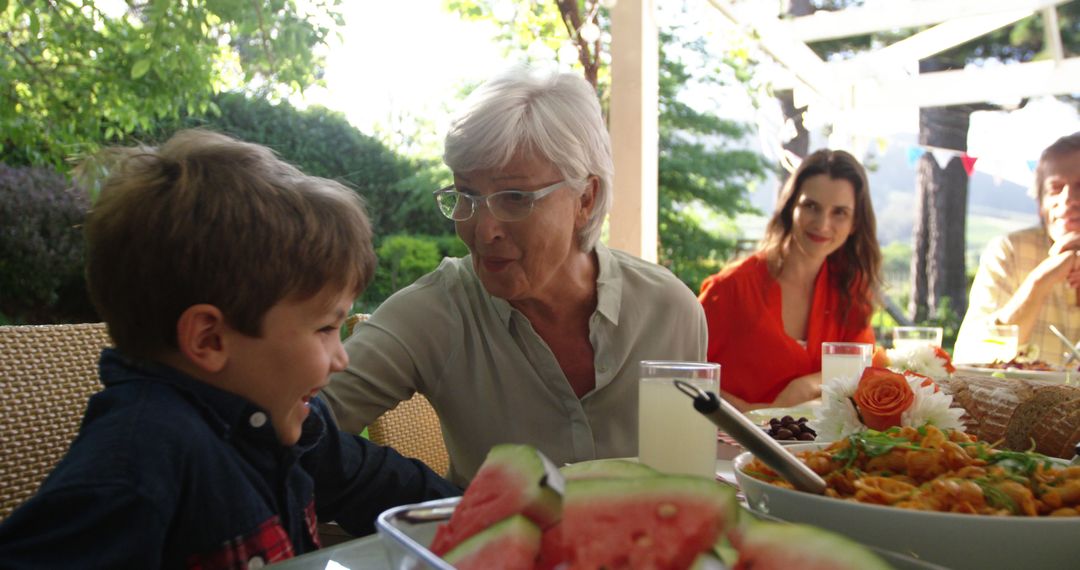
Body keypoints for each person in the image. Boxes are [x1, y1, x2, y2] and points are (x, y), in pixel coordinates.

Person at [0, 130, 458, 568]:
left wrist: (477, 512)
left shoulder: (282, 422)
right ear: (209, 339)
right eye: (324, 328)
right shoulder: (137, 462)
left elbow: (372, 480)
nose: (341, 358)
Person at [322, 66, 706, 486]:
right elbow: (293, 430)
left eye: (515, 198)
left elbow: (684, 478)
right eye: (467, 194)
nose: (484, 230)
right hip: (485, 551)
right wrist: (413, 492)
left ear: (586, 198)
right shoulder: (433, 313)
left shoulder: (669, 310)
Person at [699, 149, 881, 411]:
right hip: (730, 442)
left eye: (839, 212)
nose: (822, 223)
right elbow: (680, 373)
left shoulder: (851, 291)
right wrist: (747, 414)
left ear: (855, 224)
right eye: (811, 206)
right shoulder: (730, 289)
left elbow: (862, 372)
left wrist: (808, 384)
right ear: (790, 207)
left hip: (818, 448)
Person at [954, 132, 1080, 366]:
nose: (1068, 199)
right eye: (1055, 188)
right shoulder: (1008, 250)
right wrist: (1041, 281)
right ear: (1040, 204)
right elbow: (973, 357)